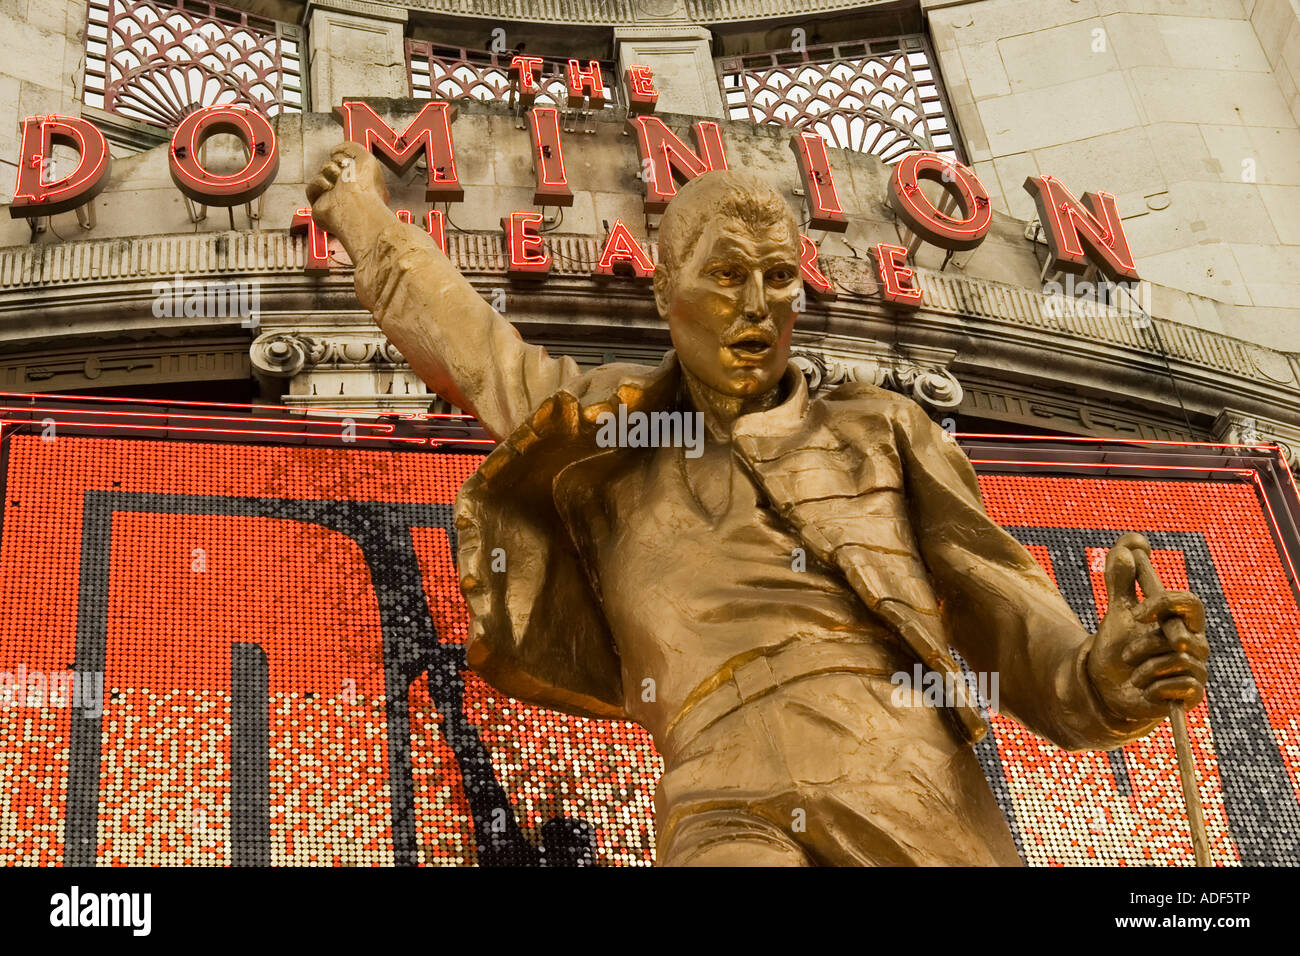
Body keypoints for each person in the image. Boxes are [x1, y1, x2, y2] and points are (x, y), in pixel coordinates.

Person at [308, 142, 1210, 866]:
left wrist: (1100, 674)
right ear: (666, 293)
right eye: (726, 275)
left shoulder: (880, 429)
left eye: (779, 278)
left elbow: (1004, 609)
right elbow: (466, 342)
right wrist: (356, 212)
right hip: (716, 784)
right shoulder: (607, 440)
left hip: (905, 768)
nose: (757, 304)